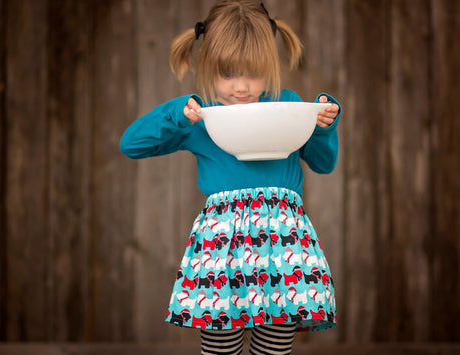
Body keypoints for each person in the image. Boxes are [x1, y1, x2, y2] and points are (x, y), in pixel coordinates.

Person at [120, 1, 340, 354]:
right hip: (223, 248)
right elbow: (132, 144)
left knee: (275, 344)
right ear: (207, 66)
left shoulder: (287, 104)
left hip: (284, 246)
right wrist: (178, 113)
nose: (241, 87)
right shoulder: (201, 116)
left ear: (270, 66)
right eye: (227, 74)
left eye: (253, 73)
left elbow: (324, 163)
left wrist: (322, 128)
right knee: (221, 345)